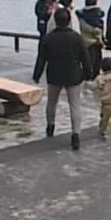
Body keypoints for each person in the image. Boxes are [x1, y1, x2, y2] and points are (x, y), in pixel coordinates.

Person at [33, 8, 92, 151]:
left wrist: (37, 75)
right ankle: (76, 134)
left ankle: (50, 126)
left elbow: (41, 59)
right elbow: (85, 57)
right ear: (69, 21)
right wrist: (88, 74)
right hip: (73, 75)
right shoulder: (76, 38)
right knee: (75, 105)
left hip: (54, 74)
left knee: (52, 102)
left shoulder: (48, 38)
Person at [76, 0, 105, 80]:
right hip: (92, 42)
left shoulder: (81, 14)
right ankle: (89, 78)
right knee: (92, 62)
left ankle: (90, 78)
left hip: (90, 41)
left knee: (94, 61)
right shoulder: (96, 15)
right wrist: (98, 33)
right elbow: (94, 29)